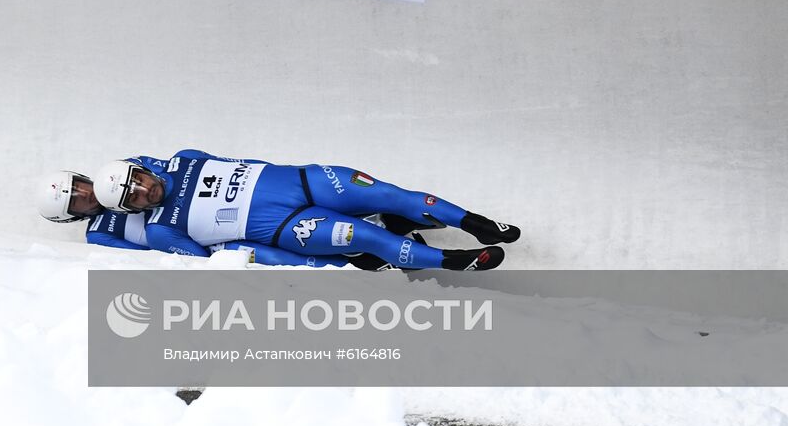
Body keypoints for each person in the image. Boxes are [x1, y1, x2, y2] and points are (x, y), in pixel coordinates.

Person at [92, 150, 518, 270]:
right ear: (131, 209)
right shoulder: (163, 232)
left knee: (389, 193)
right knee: (365, 236)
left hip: (304, 180)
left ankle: (475, 223)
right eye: (134, 197)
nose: (144, 192)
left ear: (141, 169)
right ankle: (452, 261)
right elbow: (213, 262)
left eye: (139, 180)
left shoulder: (185, 157)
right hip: (289, 226)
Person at [35, 170, 405, 269]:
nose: (87, 195)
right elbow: (141, 257)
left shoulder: (118, 178)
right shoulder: (98, 234)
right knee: (275, 257)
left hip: (211, 213)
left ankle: (371, 220)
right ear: (74, 218)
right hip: (203, 244)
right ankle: (353, 263)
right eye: (78, 202)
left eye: (80, 187)